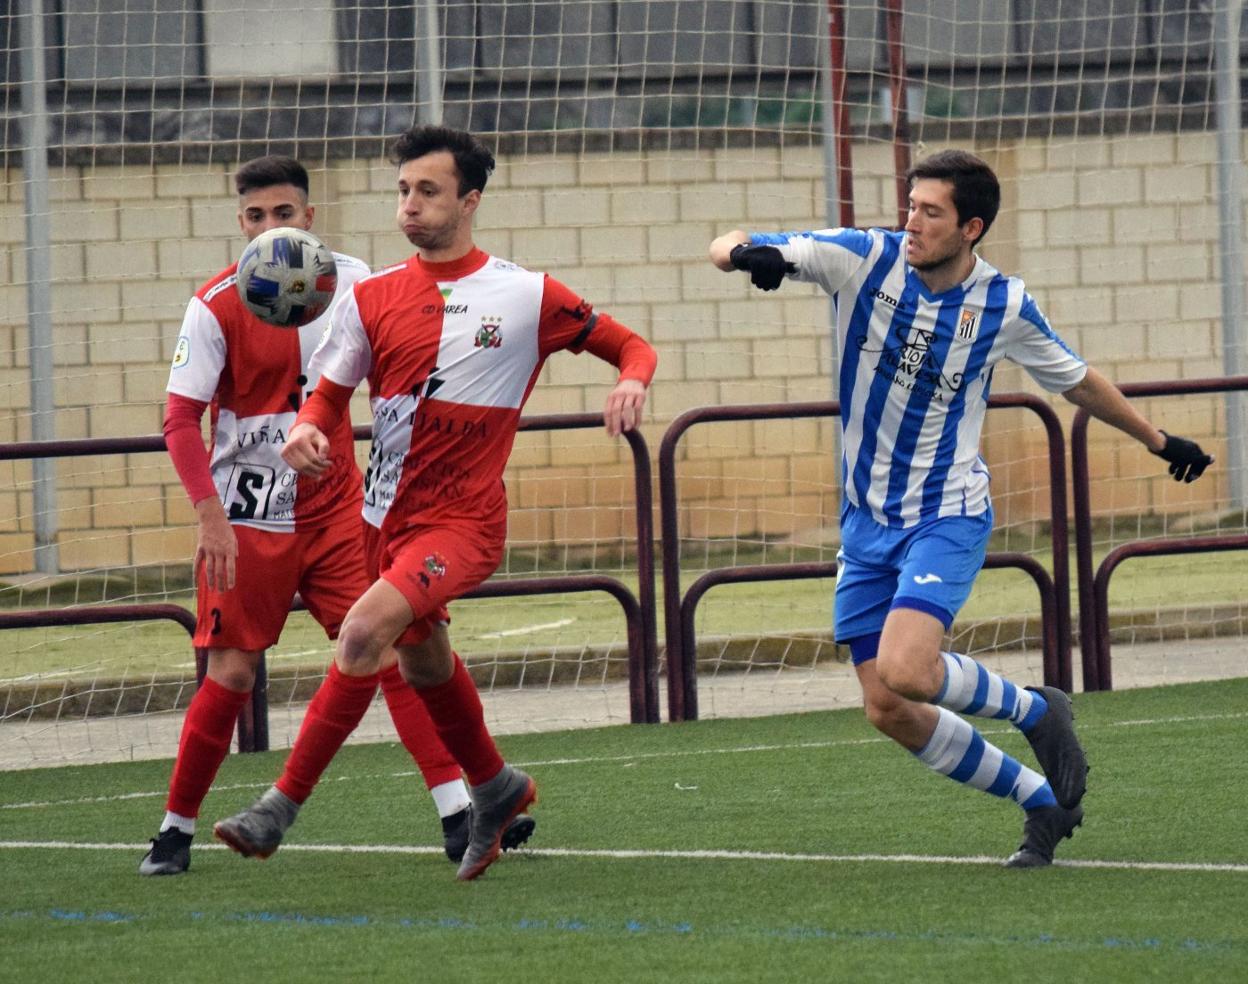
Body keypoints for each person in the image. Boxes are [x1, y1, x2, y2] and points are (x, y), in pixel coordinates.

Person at [709, 149, 1213, 867]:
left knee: (909, 670)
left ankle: (1039, 710)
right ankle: (1041, 802)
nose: (911, 222)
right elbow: (726, 242)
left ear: (971, 227)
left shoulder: (1004, 305)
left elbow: (1076, 380)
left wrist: (1159, 441)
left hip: (945, 513)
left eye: (931, 212)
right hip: (866, 520)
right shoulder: (865, 259)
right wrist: (745, 254)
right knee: (887, 706)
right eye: (910, 206)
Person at [211, 125, 657, 881]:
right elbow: (326, 397)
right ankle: (494, 786)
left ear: (469, 200)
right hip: (381, 525)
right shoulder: (372, 296)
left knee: (361, 635)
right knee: (425, 664)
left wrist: (632, 380)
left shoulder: (526, 294)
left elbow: (632, 345)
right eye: (403, 191)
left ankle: (279, 807)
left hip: (464, 523)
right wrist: (306, 436)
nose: (409, 207)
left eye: (428, 191)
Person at [141, 156, 531, 876]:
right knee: (229, 670)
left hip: (335, 511)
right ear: (241, 225)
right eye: (256, 218)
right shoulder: (216, 303)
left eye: (283, 215)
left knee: (390, 647)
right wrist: (209, 518)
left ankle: (457, 810)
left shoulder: (357, 283)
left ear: (309, 219)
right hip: (247, 520)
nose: (270, 229)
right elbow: (178, 419)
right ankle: (174, 831)